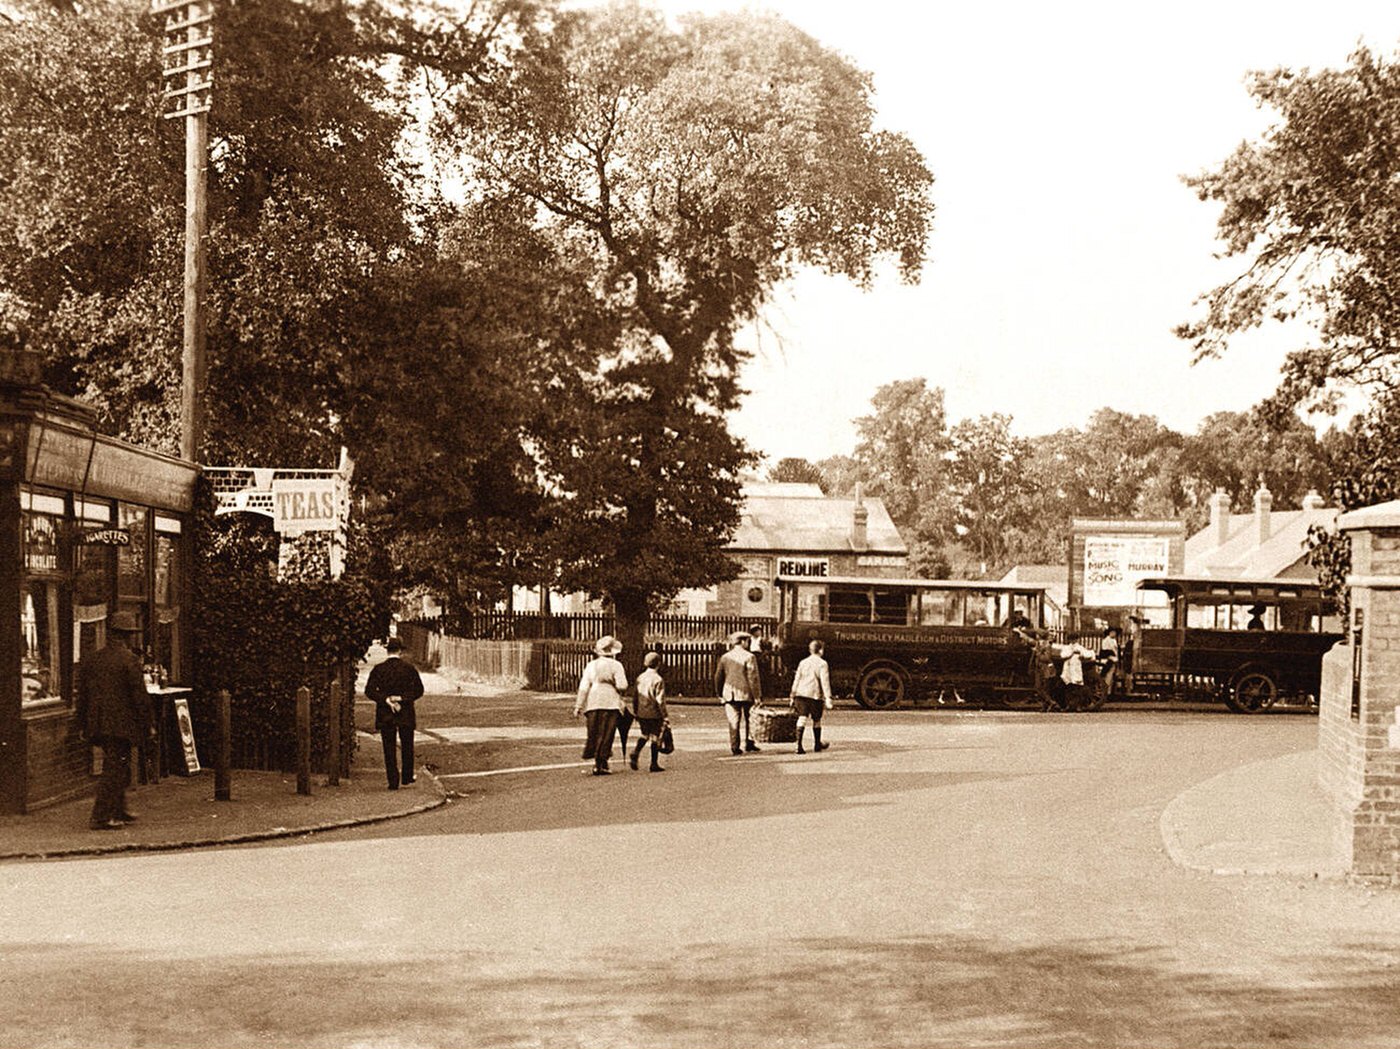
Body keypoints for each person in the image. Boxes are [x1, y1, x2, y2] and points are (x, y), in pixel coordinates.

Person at [76, 610, 154, 830]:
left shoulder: (94, 659)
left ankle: (119, 809)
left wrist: (81, 723)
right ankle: (100, 817)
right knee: (115, 769)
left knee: (119, 765)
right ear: (128, 636)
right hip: (121, 725)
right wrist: (148, 724)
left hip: (98, 723)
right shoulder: (129, 660)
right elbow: (140, 696)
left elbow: (83, 694)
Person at [364, 636, 425, 790]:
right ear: (400, 651)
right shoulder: (409, 669)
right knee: (407, 744)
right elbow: (419, 690)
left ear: (388, 651)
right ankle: (407, 776)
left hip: (386, 712)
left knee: (389, 746)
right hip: (405, 711)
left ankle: (393, 781)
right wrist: (402, 699)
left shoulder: (379, 669)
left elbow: (369, 691)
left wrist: (386, 700)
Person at [574, 635, 628, 775]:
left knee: (595, 731)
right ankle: (602, 763)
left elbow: (584, 686)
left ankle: (597, 762)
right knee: (607, 733)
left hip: (594, 700)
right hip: (610, 701)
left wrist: (579, 705)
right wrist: (614, 684)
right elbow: (622, 685)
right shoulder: (616, 665)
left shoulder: (591, 665)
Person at [715, 631, 763, 755]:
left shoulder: (725, 657)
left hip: (729, 694)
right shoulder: (749, 657)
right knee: (750, 719)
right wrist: (757, 696)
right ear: (742, 642)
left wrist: (719, 693)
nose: (748, 643)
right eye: (747, 641)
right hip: (747, 693)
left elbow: (718, 677)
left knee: (733, 721)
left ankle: (735, 746)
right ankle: (749, 743)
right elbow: (753, 678)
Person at [790, 639, 833, 754]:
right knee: (817, 720)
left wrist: (792, 694)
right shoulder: (822, 663)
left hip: (801, 693)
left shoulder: (803, 662)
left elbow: (797, 678)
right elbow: (825, 681)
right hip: (814, 695)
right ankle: (817, 744)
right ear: (821, 650)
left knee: (802, 718)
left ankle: (798, 745)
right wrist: (828, 697)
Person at [629, 651, 668, 772]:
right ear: (658, 664)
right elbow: (660, 700)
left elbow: (635, 696)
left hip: (641, 712)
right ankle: (654, 763)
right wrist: (665, 715)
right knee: (655, 737)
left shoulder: (640, 678)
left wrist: (635, 711)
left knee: (644, 734)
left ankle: (636, 752)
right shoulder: (658, 679)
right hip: (654, 713)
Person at [1097, 626, 1121, 694]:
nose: (1114, 634)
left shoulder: (1114, 640)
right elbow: (1105, 652)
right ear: (1109, 633)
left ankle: (1109, 691)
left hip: (1114, 660)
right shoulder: (1106, 640)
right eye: (1113, 632)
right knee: (1107, 677)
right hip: (1108, 660)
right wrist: (1112, 657)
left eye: (1115, 632)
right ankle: (1105, 691)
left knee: (1111, 677)